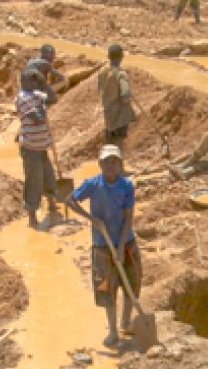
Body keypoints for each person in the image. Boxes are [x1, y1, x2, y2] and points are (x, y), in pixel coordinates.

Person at [66, 145, 140, 349]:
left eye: (114, 161)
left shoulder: (127, 186)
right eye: (106, 161)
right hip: (101, 244)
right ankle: (113, 331)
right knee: (107, 288)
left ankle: (126, 322)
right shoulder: (92, 184)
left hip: (126, 242)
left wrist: (121, 246)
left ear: (120, 165)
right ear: (100, 164)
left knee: (131, 284)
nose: (110, 165)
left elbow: (129, 218)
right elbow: (69, 200)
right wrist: (92, 219)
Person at [16, 70, 59, 228]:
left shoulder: (36, 94)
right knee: (34, 181)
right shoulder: (22, 98)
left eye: (36, 81)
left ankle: (52, 204)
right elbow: (37, 118)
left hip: (41, 147)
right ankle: (32, 217)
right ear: (23, 81)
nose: (34, 83)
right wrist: (41, 102)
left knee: (48, 174)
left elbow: (54, 99)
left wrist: (44, 84)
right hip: (30, 147)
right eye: (31, 80)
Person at [97, 44, 136, 151]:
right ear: (121, 57)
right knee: (118, 142)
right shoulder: (121, 74)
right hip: (119, 116)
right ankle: (117, 165)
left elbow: (99, 89)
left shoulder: (102, 72)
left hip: (108, 113)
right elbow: (125, 94)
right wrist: (127, 99)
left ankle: (108, 164)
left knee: (110, 141)